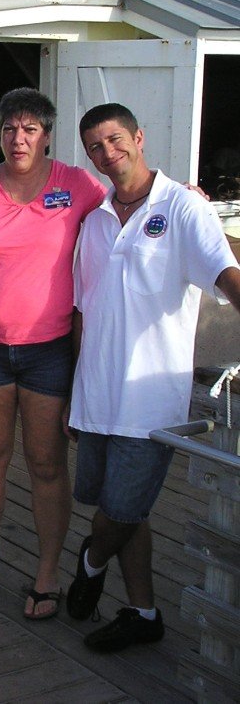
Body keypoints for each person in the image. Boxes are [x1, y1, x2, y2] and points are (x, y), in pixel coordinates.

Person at [66, 103, 240, 652]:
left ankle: (91, 562)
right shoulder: (94, 220)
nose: (107, 153)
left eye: (115, 139)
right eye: (95, 147)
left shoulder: (184, 207)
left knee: (120, 510)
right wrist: (75, 392)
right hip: (96, 396)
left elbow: (226, 273)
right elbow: (82, 311)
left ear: (139, 137)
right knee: (125, 509)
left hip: (150, 401)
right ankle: (144, 613)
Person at [0, 88, 107, 619]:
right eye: (10, 129)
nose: (19, 139)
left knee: (47, 464)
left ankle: (47, 575)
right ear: (0, 133)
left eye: (30, 129)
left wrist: (180, 196)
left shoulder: (76, 185)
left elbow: (130, 204)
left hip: (50, 350)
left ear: (47, 136)